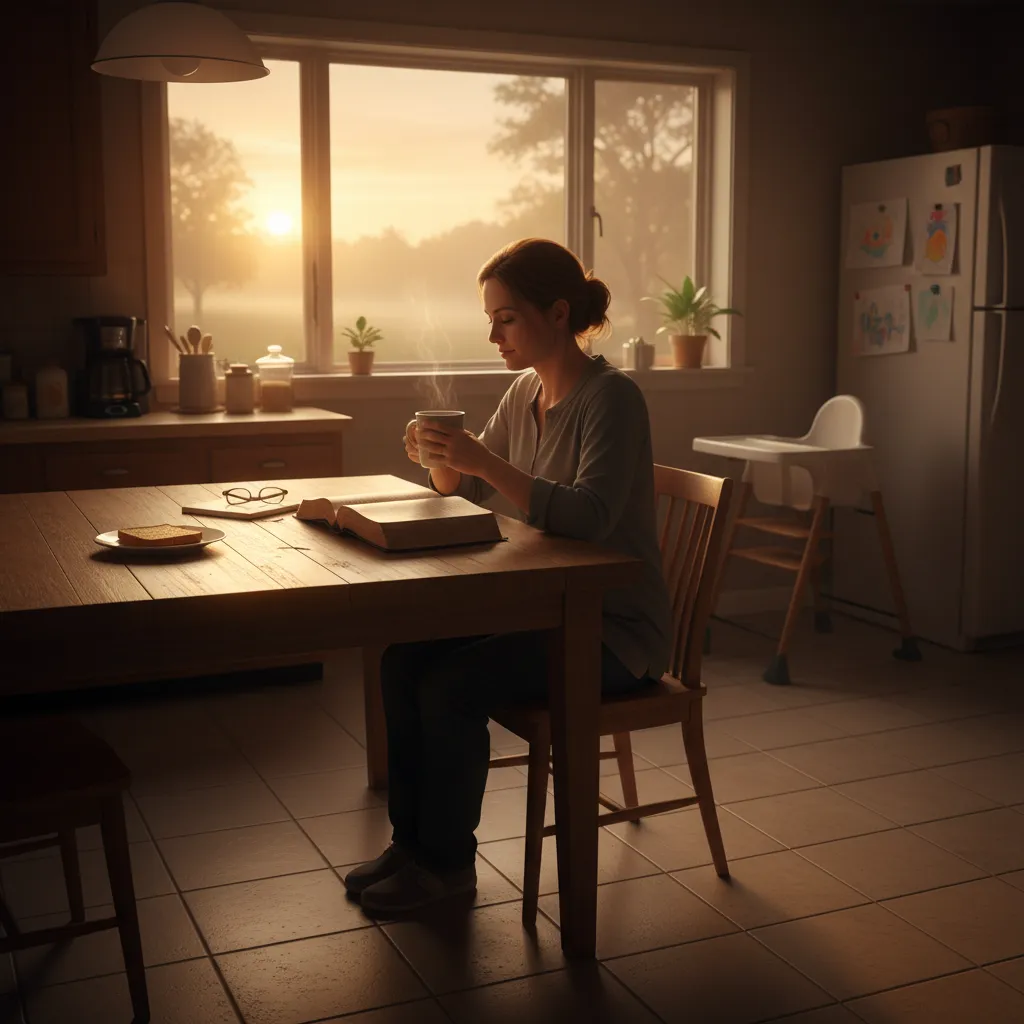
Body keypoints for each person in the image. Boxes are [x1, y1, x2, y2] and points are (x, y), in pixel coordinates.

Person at [344, 238, 672, 914]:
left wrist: (482, 463)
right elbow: (473, 491)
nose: (492, 333)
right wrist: (442, 459)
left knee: (454, 686)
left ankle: (448, 871)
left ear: (557, 313)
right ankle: (414, 847)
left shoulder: (613, 399)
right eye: (490, 319)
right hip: (542, 609)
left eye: (506, 318)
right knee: (403, 661)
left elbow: (589, 518)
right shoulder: (524, 391)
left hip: (612, 632)